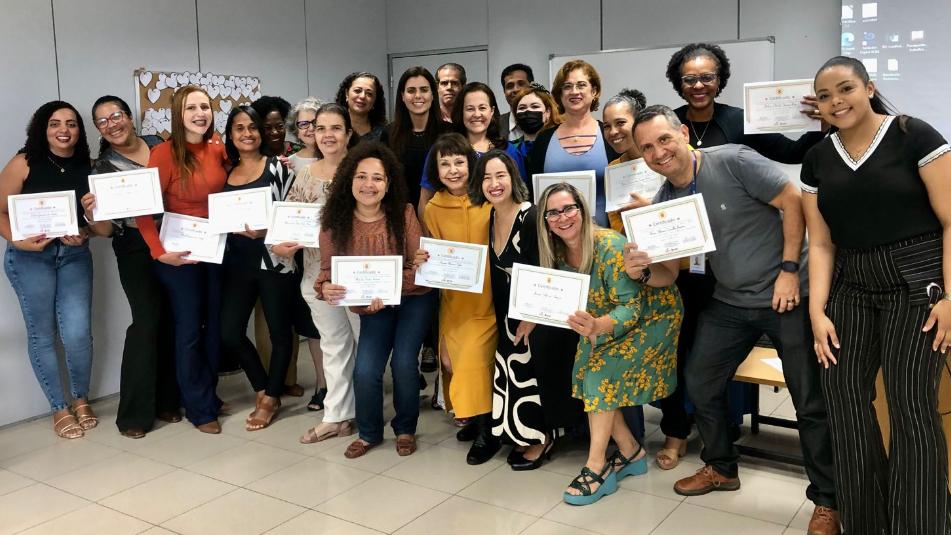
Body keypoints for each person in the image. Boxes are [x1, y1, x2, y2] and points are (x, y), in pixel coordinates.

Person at [632, 105, 840, 534]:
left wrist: (788, 270)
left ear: (683, 133)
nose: (658, 152)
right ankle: (721, 466)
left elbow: (793, 202)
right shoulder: (664, 202)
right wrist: (642, 268)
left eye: (664, 139)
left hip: (788, 295)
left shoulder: (733, 160)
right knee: (700, 382)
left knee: (808, 399)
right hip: (729, 301)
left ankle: (827, 499)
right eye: (647, 147)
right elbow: (667, 273)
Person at [803, 56, 951, 534]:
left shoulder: (914, 135)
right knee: (844, 400)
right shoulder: (818, 158)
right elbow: (821, 243)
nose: (836, 101)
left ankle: (920, 525)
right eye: (824, 96)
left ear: (868, 88)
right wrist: (817, 311)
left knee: (911, 407)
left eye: (845, 89)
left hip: (917, 281)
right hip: (851, 283)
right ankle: (866, 523)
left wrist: (950, 298)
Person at [534, 183, 681, 506]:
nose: (562, 218)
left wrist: (597, 327)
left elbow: (632, 307)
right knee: (585, 372)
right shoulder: (556, 253)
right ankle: (630, 451)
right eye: (553, 213)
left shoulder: (610, 245)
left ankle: (596, 466)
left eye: (569, 208)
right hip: (603, 321)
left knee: (598, 375)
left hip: (653, 318)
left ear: (582, 210)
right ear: (545, 221)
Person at [315, 142, 436, 459]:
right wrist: (328, 289)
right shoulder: (333, 223)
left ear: (388, 183)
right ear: (349, 179)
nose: (369, 185)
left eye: (378, 178)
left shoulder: (404, 213)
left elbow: (419, 268)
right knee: (366, 369)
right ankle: (369, 433)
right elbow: (327, 275)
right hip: (373, 306)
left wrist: (391, 287)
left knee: (404, 363)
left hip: (414, 299)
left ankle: (405, 428)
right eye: (361, 176)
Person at [0, 101, 107, 439]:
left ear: (79, 130)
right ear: (42, 129)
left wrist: (87, 230)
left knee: (78, 334)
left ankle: (80, 398)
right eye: (55, 123)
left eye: (71, 124)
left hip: (74, 256)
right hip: (31, 259)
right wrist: (18, 241)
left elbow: (103, 228)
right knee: (42, 335)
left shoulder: (90, 167)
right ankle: (59, 407)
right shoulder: (24, 162)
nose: (64, 130)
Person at [81, 95, 179, 439]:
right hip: (135, 248)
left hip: (175, 238)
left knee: (174, 319)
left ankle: (169, 400)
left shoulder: (160, 145)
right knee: (146, 322)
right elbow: (107, 230)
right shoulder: (101, 169)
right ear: (98, 129)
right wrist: (91, 214)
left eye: (116, 115)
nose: (112, 124)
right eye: (103, 121)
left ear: (129, 117)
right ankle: (135, 414)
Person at [135, 85, 229, 434]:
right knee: (189, 330)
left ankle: (208, 395)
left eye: (205, 107)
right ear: (178, 114)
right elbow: (144, 211)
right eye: (191, 108)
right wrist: (159, 253)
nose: (200, 114)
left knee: (214, 327)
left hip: (215, 249)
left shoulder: (217, 148)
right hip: (179, 256)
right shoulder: (163, 153)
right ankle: (199, 409)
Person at [278, 102, 362, 443]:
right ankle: (337, 415)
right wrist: (282, 246)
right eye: (321, 128)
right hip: (317, 275)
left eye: (335, 128)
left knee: (365, 346)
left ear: (348, 133)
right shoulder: (305, 176)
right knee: (333, 345)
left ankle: (367, 413)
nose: (327, 135)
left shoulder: (363, 171)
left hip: (359, 274)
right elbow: (289, 223)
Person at [414, 134, 498, 464]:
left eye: (459, 162)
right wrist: (423, 259)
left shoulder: (488, 200)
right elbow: (432, 252)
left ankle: (489, 432)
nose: (453, 170)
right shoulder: (433, 208)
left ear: (471, 164)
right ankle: (475, 418)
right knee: (453, 361)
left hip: (489, 298)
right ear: (436, 170)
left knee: (476, 360)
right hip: (454, 301)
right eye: (445, 164)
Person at [471, 150, 552, 470]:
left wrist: (531, 318)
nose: (494, 183)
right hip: (507, 309)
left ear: (513, 178)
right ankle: (520, 431)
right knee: (511, 368)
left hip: (535, 310)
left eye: (500, 175)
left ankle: (543, 437)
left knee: (530, 369)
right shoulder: (490, 216)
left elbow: (546, 269)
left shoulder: (529, 216)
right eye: (487, 177)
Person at [218, 106, 297, 432]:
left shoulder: (278, 167)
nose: (247, 133)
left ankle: (271, 398)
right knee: (230, 331)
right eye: (239, 128)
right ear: (230, 134)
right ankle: (263, 387)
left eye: (252, 127)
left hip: (273, 260)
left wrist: (268, 231)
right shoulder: (225, 171)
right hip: (237, 263)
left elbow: (294, 214)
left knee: (280, 333)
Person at [666, 42, 824, 159]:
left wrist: (821, 127)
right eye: (689, 79)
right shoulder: (667, 122)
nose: (698, 85)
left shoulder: (741, 121)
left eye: (707, 77)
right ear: (679, 83)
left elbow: (793, 153)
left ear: (719, 80)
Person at [526, 59, 618, 226]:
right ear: (560, 94)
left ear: (594, 91)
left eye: (581, 85)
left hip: (604, 235)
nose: (574, 92)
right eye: (567, 86)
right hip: (555, 235)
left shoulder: (609, 136)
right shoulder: (544, 140)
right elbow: (534, 195)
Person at [418, 82, 528, 220]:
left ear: (492, 111)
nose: (477, 114)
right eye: (470, 109)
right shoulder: (443, 149)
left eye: (482, 108)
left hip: (500, 228)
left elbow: (521, 198)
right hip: (450, 227)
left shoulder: (509, 152)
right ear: (461, 112)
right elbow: (425, 199)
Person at [284, 97, 331, 411]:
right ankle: (322, 384)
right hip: (303, 257)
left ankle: (347, 385)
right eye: (304, 124)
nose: (311, 129)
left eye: (317, 123)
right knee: (315, 326)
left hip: (336, 257)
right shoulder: (287, 163)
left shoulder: (345, 161)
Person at [380, 66, 448, 211]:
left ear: (433, 95)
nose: (418, 95)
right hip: (400, 213)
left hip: (442, 214)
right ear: (402, 96)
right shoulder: (389, 134)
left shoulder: (450, 132)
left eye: (424, 90)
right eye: (411, 91)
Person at [601, 88, 648, 233]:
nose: (613, 132)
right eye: (607, 126)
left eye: (620, 123)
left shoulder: (667, 155)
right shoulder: (613, 169)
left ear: (639, 121)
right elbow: (617, 228)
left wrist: (650, 209)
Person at [335, 71, 387, 141]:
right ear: (347, 94)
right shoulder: (332, 127)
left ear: (375, 100)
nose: (362, 96)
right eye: (357, 91)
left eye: (369, 94)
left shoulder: (384, 133)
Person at [498, 63, 534, 141]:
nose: (516, 89)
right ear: (504, 92)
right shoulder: (495, 125)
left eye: (521, 84)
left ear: (532, 87)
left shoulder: (546, 122)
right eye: (510, 86)